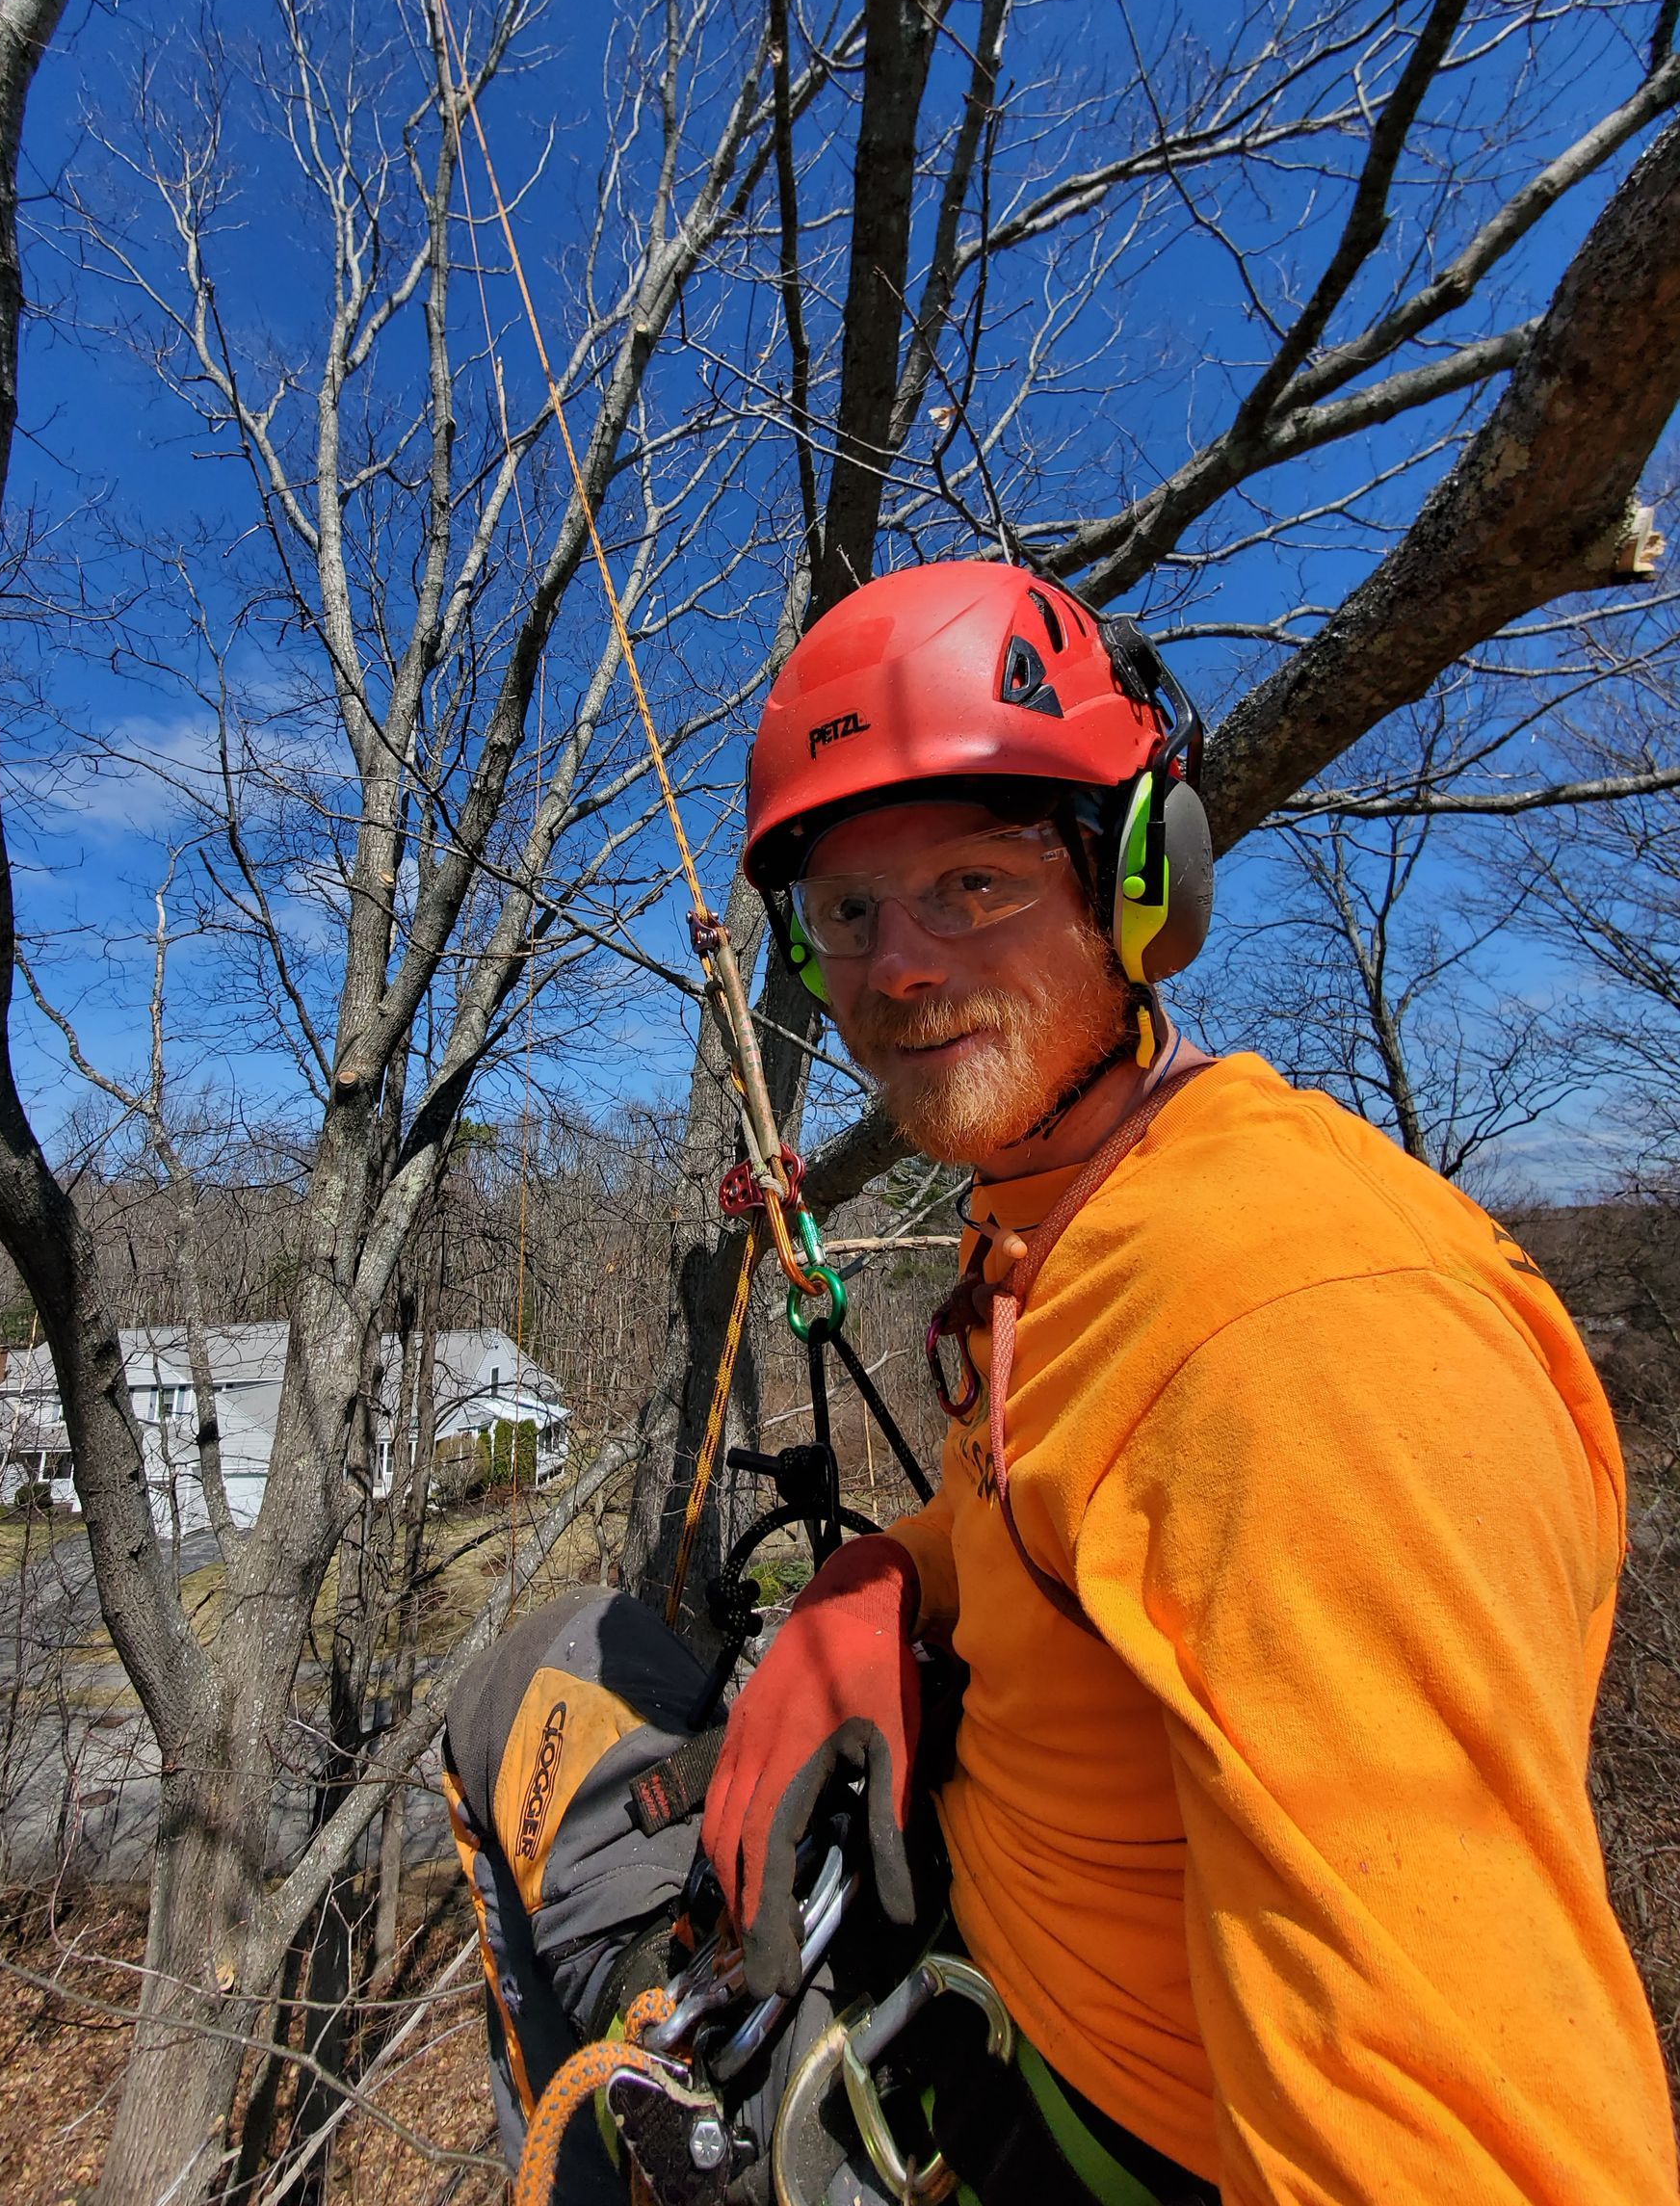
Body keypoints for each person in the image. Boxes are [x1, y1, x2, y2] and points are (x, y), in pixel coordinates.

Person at [701, 556, 1679, 2204]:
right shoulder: (1056, 1213)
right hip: (974, 2003)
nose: (898, 969)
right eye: (847, 914)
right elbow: (1067, 1513)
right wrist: (880, 1578)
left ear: (1141, 883)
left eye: (975, 883)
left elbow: (1474, 2153)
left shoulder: (1296, 1333)